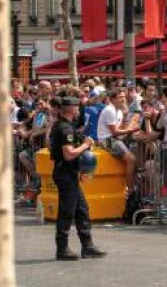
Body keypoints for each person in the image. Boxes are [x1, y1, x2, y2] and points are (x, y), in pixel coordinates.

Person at [48, 91, 104, 260]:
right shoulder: (65, 128)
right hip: (65, 172)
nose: (79, 111)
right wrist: (85, 145)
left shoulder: (65, 126)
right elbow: (68, 153)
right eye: (77, 108)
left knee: (81, 209)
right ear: (72, 109)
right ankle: (62, 248)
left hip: (69, 172)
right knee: (67, 211)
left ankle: (87, 246)